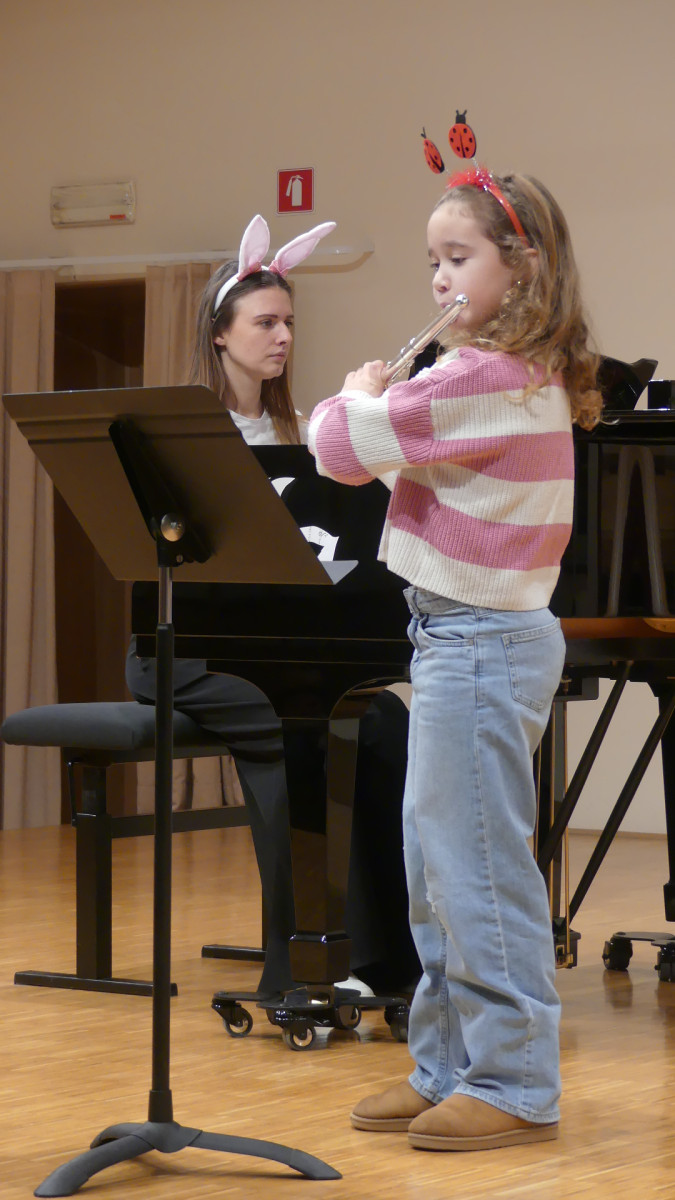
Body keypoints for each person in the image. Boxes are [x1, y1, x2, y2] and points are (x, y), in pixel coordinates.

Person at [308, 168, 602, 1150]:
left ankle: (513, 1082)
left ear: (522, 267)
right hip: (457, 638)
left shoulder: (485, 377)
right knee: (435, 872)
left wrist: (357, 394)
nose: (438, 279)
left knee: (474, 873)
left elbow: (340, 448)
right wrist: (385, 411)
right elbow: (388, 458)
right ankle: (444, 1068)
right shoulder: (495, 375)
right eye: (432, 260)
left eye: (458, 257)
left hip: (479, 642)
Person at [126, 215, 421, 1000]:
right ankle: (303, 962)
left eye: (288, 321)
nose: (283, 336)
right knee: (294, 733)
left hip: (286, 642)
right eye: (264, 322)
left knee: (380, 723)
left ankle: (387, 961)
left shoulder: (302, 432)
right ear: (219, 334)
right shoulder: (185, 436)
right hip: (185, 650)